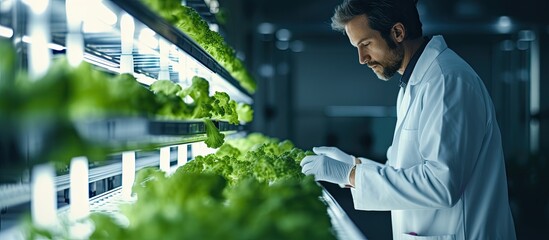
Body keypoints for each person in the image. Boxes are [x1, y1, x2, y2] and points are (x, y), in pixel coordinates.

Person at [299, 0, 517, 239]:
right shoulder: (413, 83)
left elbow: (440, 184)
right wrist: (354, 165)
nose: (362, 58)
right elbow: (403, 171)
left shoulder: (446, 81)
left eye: (366, 44)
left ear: (398, 32)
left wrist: (349, 175)